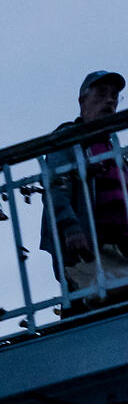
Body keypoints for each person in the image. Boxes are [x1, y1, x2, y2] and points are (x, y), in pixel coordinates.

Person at [42, 69, 128, 310]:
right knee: (95, 309)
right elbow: (55, 186)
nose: (110, 100)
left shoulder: (115, 149)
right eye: (102, 93)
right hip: (90, 249)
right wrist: (71, 227)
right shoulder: (69, 138)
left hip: (121, 250)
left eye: (115, 96)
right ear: (82, 101)